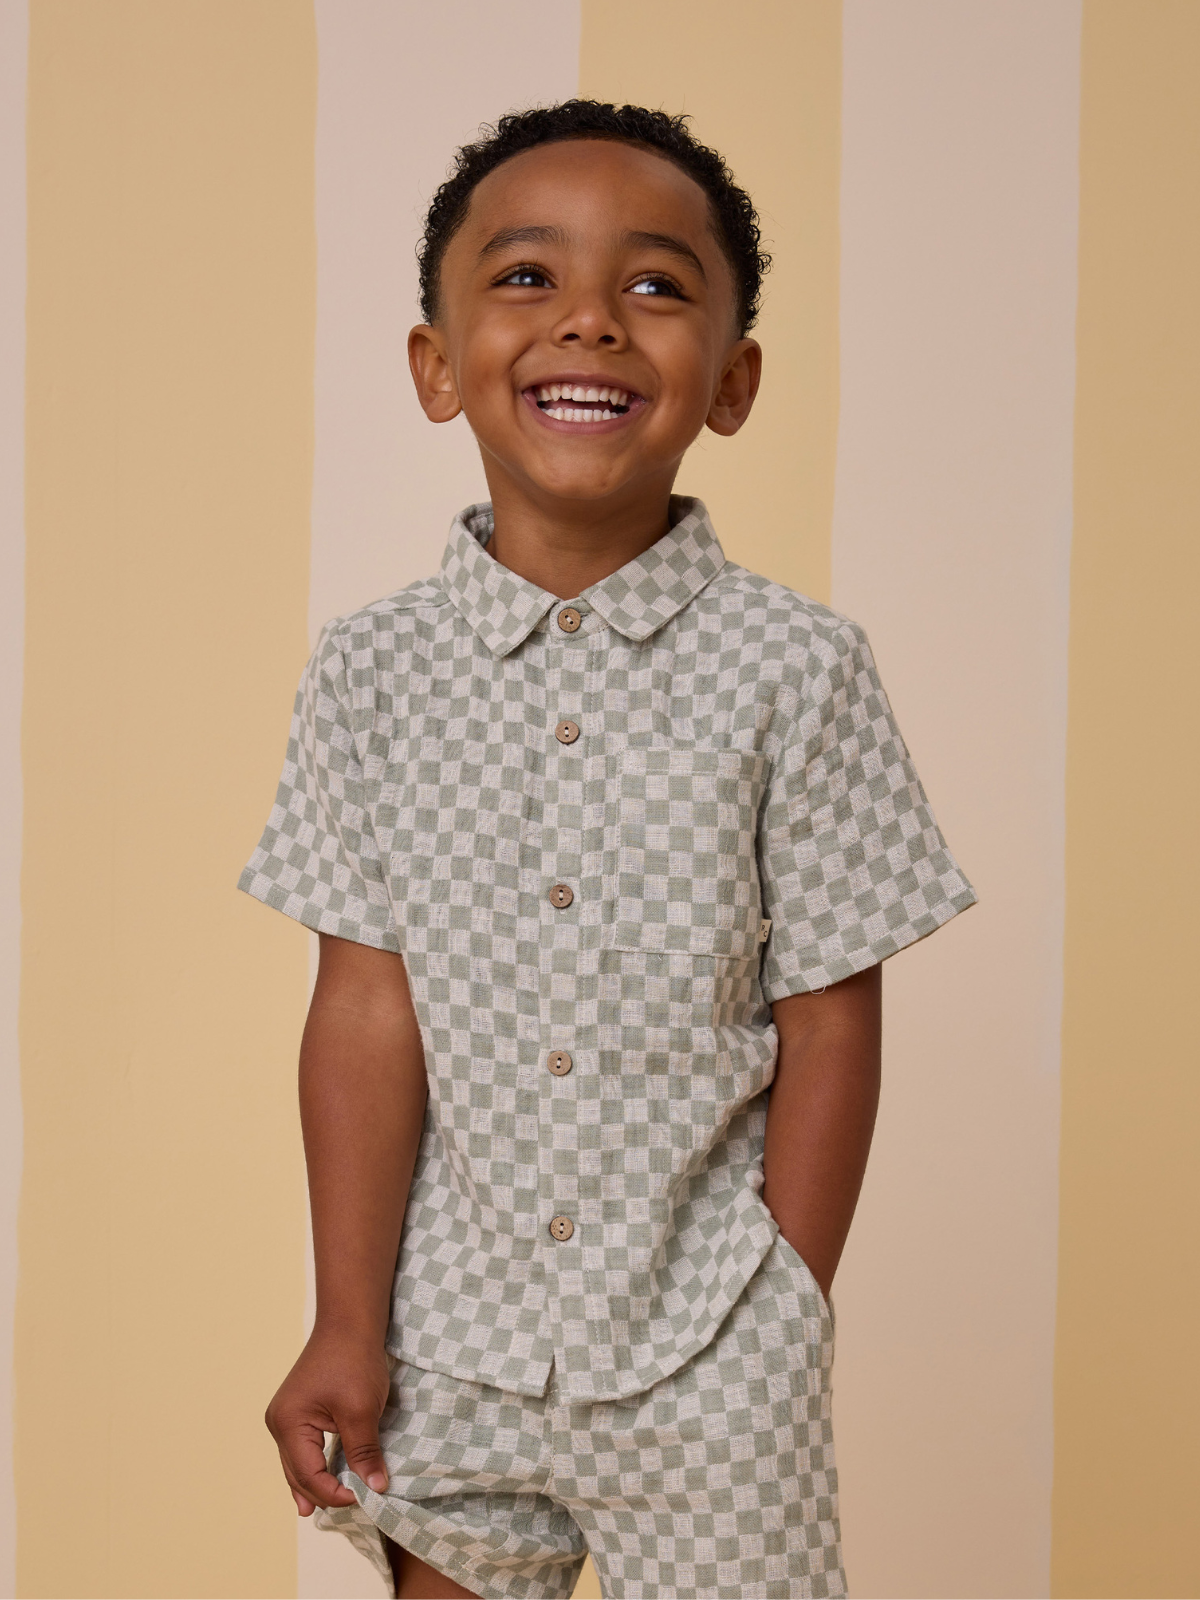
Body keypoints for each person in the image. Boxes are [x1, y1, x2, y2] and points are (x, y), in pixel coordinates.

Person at [239, 101, 975, 1600]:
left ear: (734, 379)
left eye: (655, 286)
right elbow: (366, 1008)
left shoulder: (798, 668)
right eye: (525, 280)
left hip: (707, 1342)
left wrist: (784, 1306)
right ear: (437, 368)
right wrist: (343, 1320)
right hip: (446, 1332)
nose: (590, 318)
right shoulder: (371, 671)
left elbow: (830, 1007)